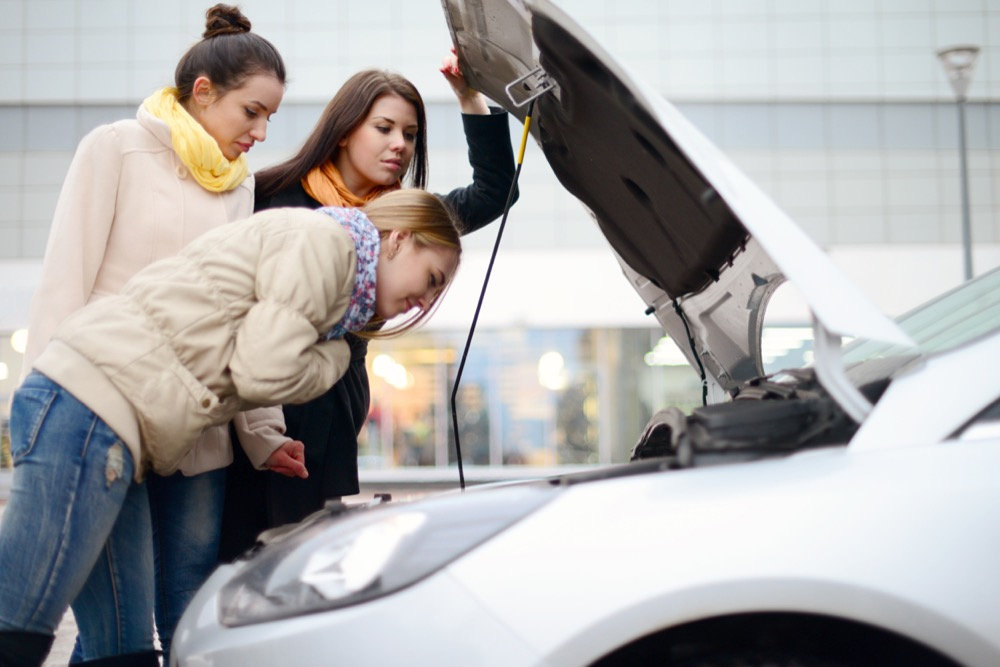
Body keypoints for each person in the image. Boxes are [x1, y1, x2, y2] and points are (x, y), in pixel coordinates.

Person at [0, 189, 463, 667]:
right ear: (399, 239)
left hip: (113, 423)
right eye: (431, 279)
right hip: (87, 405)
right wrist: (337, 356)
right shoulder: (328, 247)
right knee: (17, 626)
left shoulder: (332, 269)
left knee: (124, 650)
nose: (423, 302)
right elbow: (260, 371)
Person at [17, 5, 293, 663]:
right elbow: (66, 280)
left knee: (191, 618)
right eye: (251, 111)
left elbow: (240, 314)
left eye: (269, 118)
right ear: (204, 92)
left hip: (200, 432)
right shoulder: (115, 147)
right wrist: (40, 417)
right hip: (105, 417)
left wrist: (265, 433)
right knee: (119, 626)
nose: (260, 130)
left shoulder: (238, 186)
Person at [217, 52, 519, 560]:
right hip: (251, 406)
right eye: (384, 128)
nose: (399, 144)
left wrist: (469, 96)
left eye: (410, 133)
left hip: (332, 410)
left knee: (304, 568)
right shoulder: (269, 195)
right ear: (343, 131)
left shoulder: (408, 220)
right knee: (232, 558)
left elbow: (496, 189)